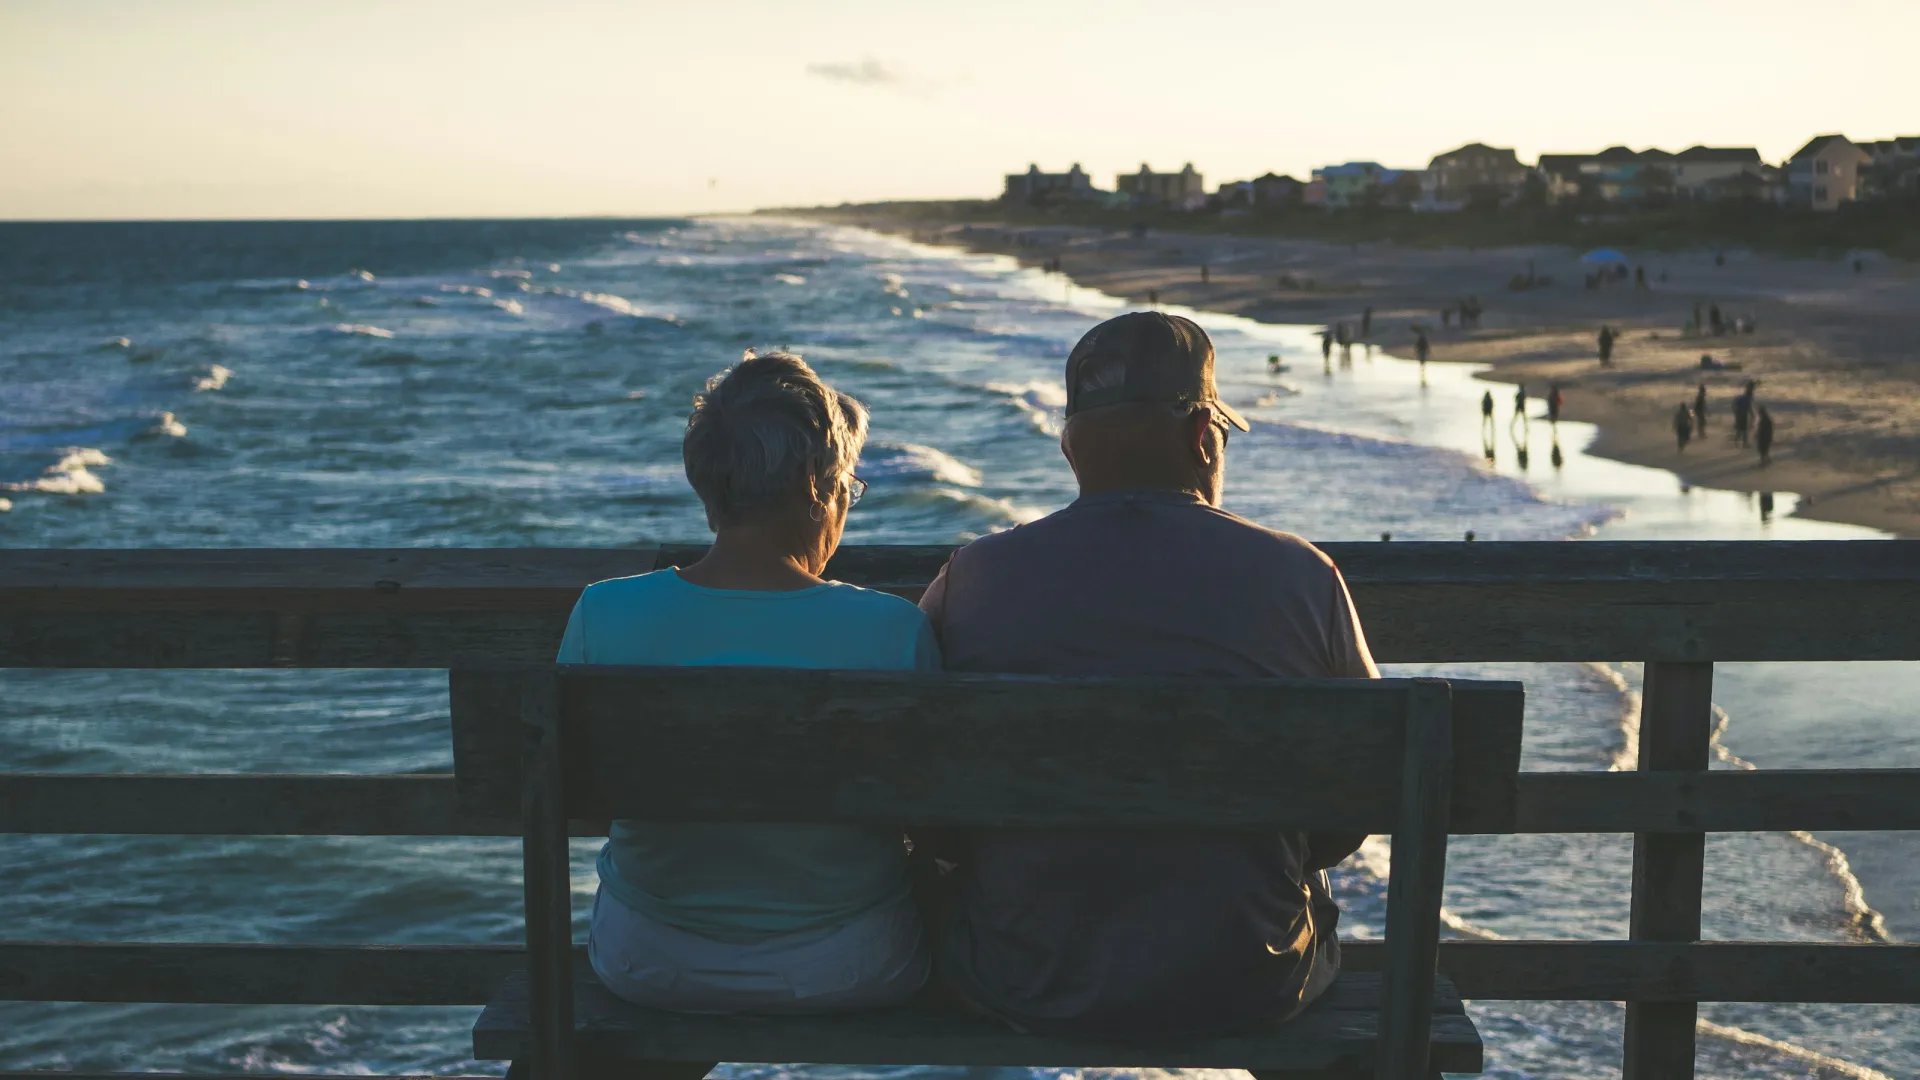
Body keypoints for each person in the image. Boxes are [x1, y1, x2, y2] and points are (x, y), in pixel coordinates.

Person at [918, 312, 1377, 1039]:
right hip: (1249, 980)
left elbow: (919, 786)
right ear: (1203, 438)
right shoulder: (1302, 575)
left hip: (1025, 978)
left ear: (1071, 448)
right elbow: (1366, 785)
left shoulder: (972, 577)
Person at [559, 351, 936, 1015]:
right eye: (847, 484)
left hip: (647, 961)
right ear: (811, 484)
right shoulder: (891, 630)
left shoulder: (602, 612)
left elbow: (574, 796)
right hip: (848, 966)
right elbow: (939, 819)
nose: (846, 503)